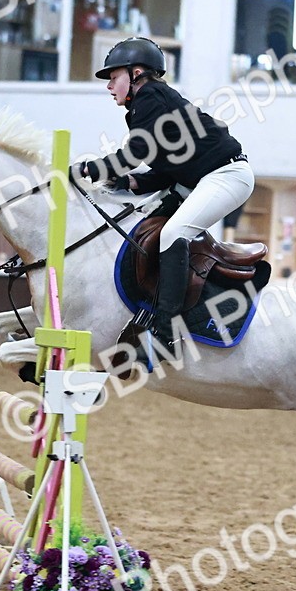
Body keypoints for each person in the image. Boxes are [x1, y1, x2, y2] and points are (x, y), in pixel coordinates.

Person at [72, 36, 255, 357]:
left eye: (114, 77)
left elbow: (135, 154)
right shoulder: (150, 103)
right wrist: (124, 182)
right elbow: (160, 171)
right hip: (196, 180)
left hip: (226, 176)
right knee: (143, 221)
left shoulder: (151, 97)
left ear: (137, 72)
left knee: (173, 233)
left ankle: (165, 333)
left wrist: (92, 169)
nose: (109, 85)